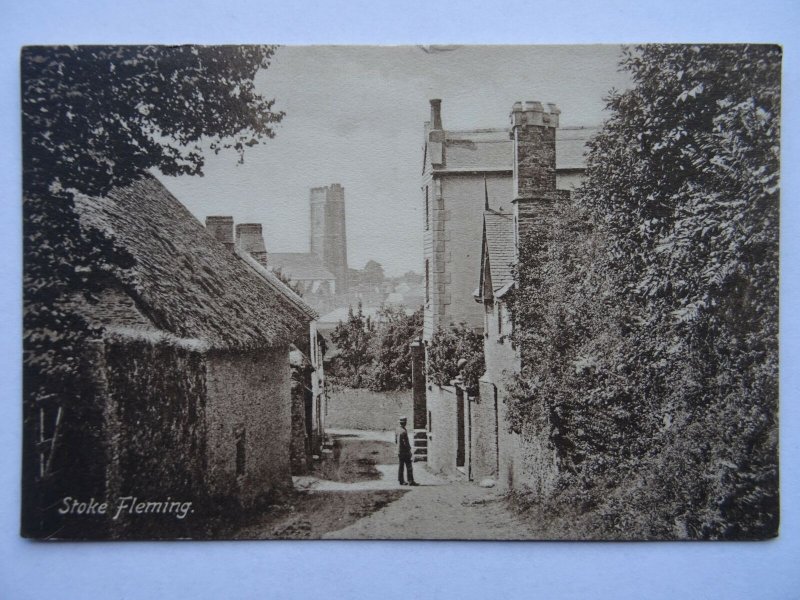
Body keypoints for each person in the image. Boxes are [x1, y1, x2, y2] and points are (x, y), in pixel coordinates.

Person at [396, 416, 418, 486]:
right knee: (409, 466)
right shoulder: (404, 431)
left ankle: (401, 480)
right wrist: (409, 450)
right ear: (404, 422)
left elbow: (396, 440)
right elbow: (405, 443)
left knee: (401, 466)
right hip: (404, 452)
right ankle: (410, 481)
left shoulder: (397, 430)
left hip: (399, 451)